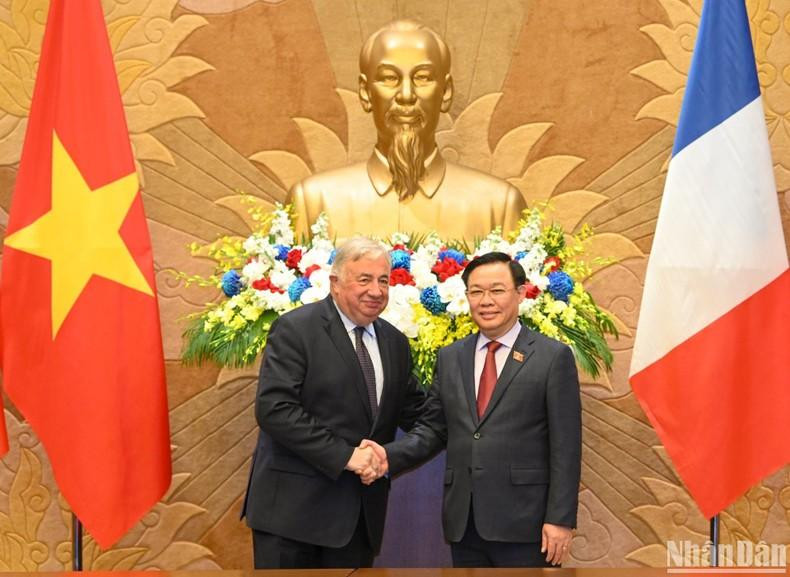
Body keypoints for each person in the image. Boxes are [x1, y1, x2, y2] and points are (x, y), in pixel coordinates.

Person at [360, 252, 581, 567]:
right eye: (476, 292)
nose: (486, 300)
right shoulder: (452, 357)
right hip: (465, 523)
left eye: (497, 290)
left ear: (520, 293)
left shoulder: (551, 357)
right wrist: (387, 456)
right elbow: (434, 428)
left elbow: (566, 446)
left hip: (527, 524)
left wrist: (560, 518)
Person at [241, 237, 426, 568]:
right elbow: (275, 409)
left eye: (383, 280)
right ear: (335, 283)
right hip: (292, 519)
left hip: (359, 520)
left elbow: (417, 411)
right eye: (364, 279)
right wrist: (347, 456)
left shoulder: (395, 342)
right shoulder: (296, 329)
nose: (377, 290)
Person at [289, 19, 526, 242]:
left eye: (422, 78)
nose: (405, 95)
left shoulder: (498, 206)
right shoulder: (313, 202)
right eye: (389, 78)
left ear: (445, 92)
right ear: (365, 92)